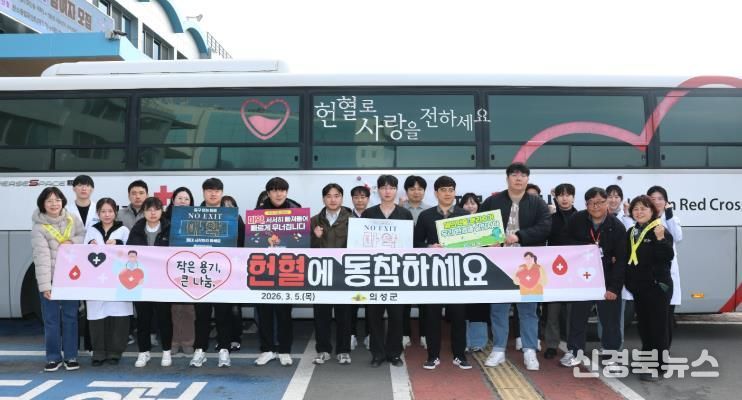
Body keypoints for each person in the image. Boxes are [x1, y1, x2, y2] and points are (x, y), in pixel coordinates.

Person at [481, 162, 551, 371]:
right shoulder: (493, 201)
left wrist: (519, 236)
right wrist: (487, 241)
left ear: (528, 179)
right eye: (514, 175)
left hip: (528, 265)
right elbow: (478, 225)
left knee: (528, 310)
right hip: (499, 263)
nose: (518, 178)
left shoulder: (537, 203)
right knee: (498, 308)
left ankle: (530, 350)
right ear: (507, 178)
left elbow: (545, 227)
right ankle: (499, 349)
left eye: (523, 175)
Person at [560, 187, 626, 370]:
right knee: (577, 317)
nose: (596, 206)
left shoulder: (617, 226)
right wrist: (587, 247)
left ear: (607, 203)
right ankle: (575, 351)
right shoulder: (577, 220)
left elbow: (621, 260)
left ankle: (611, 355)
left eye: (600, 202)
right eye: (591, 203)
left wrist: (614, 288)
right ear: (586, 204)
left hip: (607, 280)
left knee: (610, 320)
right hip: (582, 279)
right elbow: (564, 242)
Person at [414, 176, 472, 370]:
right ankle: (433, 356)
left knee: (459, 316)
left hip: (458, 273)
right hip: (434, 273)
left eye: (451, 190)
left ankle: (459, 355)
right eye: (443, 190)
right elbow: (415, 242)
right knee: (432, 316)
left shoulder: (464, 215)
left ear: (455, 192)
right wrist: (429, 247)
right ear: (436, 193)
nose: (447, 193)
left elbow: (475, 244)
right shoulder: (426, 216)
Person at [32, 187, 86, 372]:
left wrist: (73, 242)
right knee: (51, 320)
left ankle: (71, 356)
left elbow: (83, 236)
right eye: (49, 201)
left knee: (71, 318)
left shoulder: (72, 219)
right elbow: (41, 259)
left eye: (57, 200)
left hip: (72, 278)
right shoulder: (39, 228)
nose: (54, 204)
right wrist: (45, 286)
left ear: (63, 201)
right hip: (51, 280)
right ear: (43, 204)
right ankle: (53, 357)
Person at [362, 174, 413, 367]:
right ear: (378, 190)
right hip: (373, 274)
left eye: (391, 187)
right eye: (383, 187)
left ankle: (394, 353)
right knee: (373, 315)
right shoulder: (368, 213)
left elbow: (410, 245)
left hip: (397, 273)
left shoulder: (405, 214)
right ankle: (377, 353)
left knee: (397, 316)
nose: (387, 191)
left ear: (396, 190)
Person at [190, 178, 242, 368]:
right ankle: (200, 350)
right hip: (200, 273)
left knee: (223, 314)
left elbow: (242, 243)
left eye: (217, 190)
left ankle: (224, 350)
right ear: (203, 192)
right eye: (209, 190)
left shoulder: (232, 216)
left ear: (222, 192)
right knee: (201, 314)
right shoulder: (192, 215)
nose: (213, 194)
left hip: (225, 273)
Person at [624, 195, 674, 382]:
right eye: (636, 209)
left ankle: (658, 366)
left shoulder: (659, 230)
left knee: (657, 327)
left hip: (657, 286)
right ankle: (647, 360)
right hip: (639, 287)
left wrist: (661, 240)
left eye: (643, 208)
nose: (639, 212)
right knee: (644, 326)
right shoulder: (632, 231)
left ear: (652, 211)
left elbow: (667, 256)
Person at [254, 177, 301, 367]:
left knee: (284, 313)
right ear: (268, 193)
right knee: (264, 312)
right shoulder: (258, 214)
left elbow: (300, 240)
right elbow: (253, 241)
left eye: (282, 190)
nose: (278, 194)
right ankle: (267, 349)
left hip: (287, 270)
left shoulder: (296, 212)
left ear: (286, 192)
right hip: (263, 270)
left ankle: (284, 350)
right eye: (274, 190)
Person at [84, 198, 132, 366]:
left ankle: (115, 352)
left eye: (110, 211)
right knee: (97, 314)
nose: (107, 214)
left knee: (119, 314)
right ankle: (98, 352)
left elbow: (132, 252)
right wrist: (89, 245)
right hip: (95, 280)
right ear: (98, 213)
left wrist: (119, 243)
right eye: (103, 211)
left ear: (115, 213)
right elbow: (82, 253)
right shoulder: (91, 231)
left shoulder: (123, 230)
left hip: (118, 279)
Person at [126, 197, 173, 368]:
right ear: (143, 212)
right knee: (143, 319)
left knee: (164, 318)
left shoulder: (170, 229)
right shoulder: (136, 230)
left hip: (164, 282)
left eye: (156, 209)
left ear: (162, 211)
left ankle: (166, 351)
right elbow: (128, 253)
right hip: (141, 282)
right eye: (149, 209)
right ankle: (143, 352)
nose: (153, 213)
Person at [310, 183, 354, 365]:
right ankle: (323, 350)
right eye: (328, 196)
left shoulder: (352, 219)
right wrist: (315, 238)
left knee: (345, 314)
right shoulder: (314, 221)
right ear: (323, 199)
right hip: (321, 274)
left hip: (345, 274)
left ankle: (343, 351)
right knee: (321, 314)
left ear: (342, 198)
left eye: (336, 196)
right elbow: (304, 249)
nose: (333, 199)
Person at [543, 183, 578, 359]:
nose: (565, 198)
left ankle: (573, 345)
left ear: (573, 197)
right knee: (552, 312)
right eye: (561, 195)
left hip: (575, 271)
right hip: (553, 270)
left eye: (568, 195)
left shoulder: (581, 217)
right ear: (556, 198)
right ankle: (551, 345)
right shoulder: (550, 218)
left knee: (574, 312)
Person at [647, 186, 682, 348]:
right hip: (648, 276)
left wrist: (669, 215)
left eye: (660, 199)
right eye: (652, 199)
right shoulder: (643, 219)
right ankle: (651, 351)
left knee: (666, 316)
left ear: (666, 202)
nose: (656, 202)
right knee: (649, 317)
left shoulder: (670, 219)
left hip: (666, 275)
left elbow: (678, 236)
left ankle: (663, 351)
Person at [68, 174, 99, 353]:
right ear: (74, 189)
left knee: (91, 303)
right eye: (80, 185)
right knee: (72, 304)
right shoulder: (66, 210)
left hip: (94, 261)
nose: (83, 188)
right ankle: (71, 346)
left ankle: (90, 344)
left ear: (92, 189)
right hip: (72, 260)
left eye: (87, 185)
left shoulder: (98, 209)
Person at [164, 187, 197, 357]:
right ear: (173, 200)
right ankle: (174, 341)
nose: (183, 201)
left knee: (188, 308)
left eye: (186, 199)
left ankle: (188, 341)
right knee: (173, 308)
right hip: (170, 268)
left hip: (191, 268)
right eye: (179, 198)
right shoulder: (164, 220)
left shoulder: (197, 220)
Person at [399, 175, 429, 349]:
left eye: (419, 189)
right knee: (404, 301)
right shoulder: (399, 210)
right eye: (412, 189)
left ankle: (425, 334)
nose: (416, 192)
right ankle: (404, 334)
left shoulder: (431, 210)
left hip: (425, 262)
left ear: (425, 191)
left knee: (425, 301)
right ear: (406, 191)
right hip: (403, 261)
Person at [457, 193, 489, 353]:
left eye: (473, 203)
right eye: (466, 203)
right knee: (462, 308)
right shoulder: (454, 224)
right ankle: (463, 341)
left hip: (481, 271)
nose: (470, 206)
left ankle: (478, 341)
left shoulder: (486, 224)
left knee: (479, 307)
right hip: (460, 271)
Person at [220, 194, 246, 353]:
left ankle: (236, 338)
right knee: (221, 309)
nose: (227, 209)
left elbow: (244, 245)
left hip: (235, 270)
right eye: (224, 206)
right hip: (218, 270)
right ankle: (223, 340)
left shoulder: (239, 221)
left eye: (231, 206)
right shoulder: (212, 223)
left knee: (235, 308)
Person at [349, 185, 371, 350]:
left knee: (371, 304)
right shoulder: (346, 217)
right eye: (356, 197)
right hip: (352, 266)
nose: (360, 200)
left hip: (371, 266)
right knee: (352, 303)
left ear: (368, 199)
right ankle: (351, 334)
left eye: (363, 197)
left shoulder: (375, 216)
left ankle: (370, 335)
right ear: (352, 199)